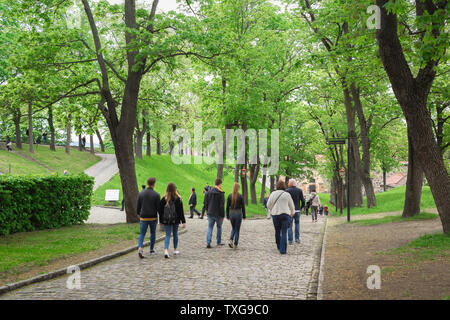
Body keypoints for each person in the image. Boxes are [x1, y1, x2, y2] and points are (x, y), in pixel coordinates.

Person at [158, 182, 186, 258]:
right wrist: (183, 221)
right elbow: (181, 212)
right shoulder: (178, 199)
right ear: (175, 189)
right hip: (176, 220)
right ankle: (175, 249)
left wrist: (160, 220)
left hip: (166, 220)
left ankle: (166, 250)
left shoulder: (164, 199)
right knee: (175, 234)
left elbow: (160, 211)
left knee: (167, 235)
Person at [267, 179, 295, 255]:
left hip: (275, 215)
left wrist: (272, 209)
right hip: (285, 215)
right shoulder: (287, 194)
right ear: (284, 186)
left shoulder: (273, 194)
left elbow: (268, 205)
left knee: (277, 231)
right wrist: (292, 212)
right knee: (284, 232)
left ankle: (279, 245)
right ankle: (283, 250)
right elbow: (292, 206)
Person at [136, 177, 160, 258]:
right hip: (153, 217)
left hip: (143, 217)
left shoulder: (141, 193)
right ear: (154, 184)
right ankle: (151, 249)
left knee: (142, 234)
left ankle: (140, 248)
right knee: (153, 233)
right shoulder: (156, 194)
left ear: (147, 184)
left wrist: (138, 214)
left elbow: (138, 206)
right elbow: (158, 208)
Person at [205, 178, 225, 248]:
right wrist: (223, 215)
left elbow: (206, 203)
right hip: (218, 214)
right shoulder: (221, 193)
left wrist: (207, 211)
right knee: (219, 227)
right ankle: (218, 242)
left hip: (210, 212)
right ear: (220, 184)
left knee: (210, 227)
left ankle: (208, 242)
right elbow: (222, 205)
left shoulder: (209, 192)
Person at [226, 182, 246, 249]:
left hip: (231, 213)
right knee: (237, 229)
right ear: (238, 188)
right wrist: (244, 216)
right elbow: (243, 207)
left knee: (233, 228)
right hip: (238, 213)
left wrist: (227, 215)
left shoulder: (229, 196)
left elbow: (227, 206)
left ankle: (231, 239)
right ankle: (235, 243)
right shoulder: (240, 196)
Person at [286, 179, 305, 244]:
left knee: (289, 225)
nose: (288, 183)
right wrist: (301, 208)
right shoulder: (299, 190)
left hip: (289, 211)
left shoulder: (287, 191)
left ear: (290, 184)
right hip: (297, 210)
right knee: (297, 224)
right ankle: (297, 238)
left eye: (288, 183)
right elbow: (303, 201)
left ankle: (290, 240)